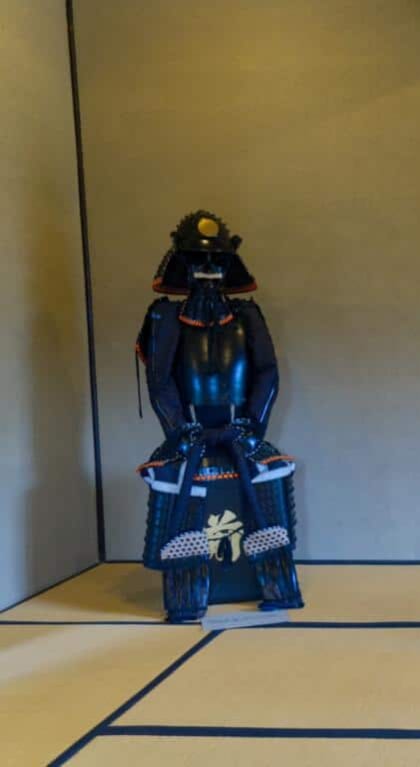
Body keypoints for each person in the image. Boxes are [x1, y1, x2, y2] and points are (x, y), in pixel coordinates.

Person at [136, 210, 304, 622]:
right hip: (187, 435)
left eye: (217, 261)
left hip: (241, 431)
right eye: (197, 260)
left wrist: (249, 426)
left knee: (269, 500)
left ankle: (276, 587)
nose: (208, 270)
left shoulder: (248, 315)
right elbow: (160, 382)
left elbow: (267, 371)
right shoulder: (165, 318)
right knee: (180, 510)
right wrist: (180, 431)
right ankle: (187, 597)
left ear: (230, 265)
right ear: (182, 264)